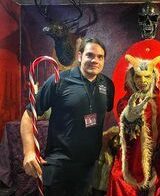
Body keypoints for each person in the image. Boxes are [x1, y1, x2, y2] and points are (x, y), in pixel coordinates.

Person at [20, 37, 115, 196]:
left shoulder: (107, 85)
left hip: (88, 167)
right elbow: (29, 115)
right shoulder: (59, 80)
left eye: (100, 57)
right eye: (90, 55)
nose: (95, 60)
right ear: (79, 56)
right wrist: (28, 151)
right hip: (59, 165)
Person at [107, 52, 160, 196]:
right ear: (132, 78)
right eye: (138, 76)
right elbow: (126, 131)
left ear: (153, 77)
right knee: (118, 179)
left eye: (147, 76)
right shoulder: (125, 102)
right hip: (133, 153)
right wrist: (130, 118)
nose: (142, 81)